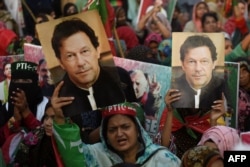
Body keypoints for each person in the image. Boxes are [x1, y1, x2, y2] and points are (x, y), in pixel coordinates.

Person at [50, 18, 136, 144]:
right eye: (70, 56)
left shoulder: (120, 77)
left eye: (85, 51)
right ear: (61, 62)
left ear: (97, 50)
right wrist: (58, 118)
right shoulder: (60, 98)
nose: (80, 62)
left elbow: (138, 118)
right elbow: (70, 145)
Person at [52, 99, 181, 167]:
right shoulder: (96, 155)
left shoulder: (163, 160)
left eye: (125, 127)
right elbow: (73, 156)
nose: (119, 134)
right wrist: (60, 118)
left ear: (138, 130)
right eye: (112, 130)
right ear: (105, 134)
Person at [172, 34, 227, 109]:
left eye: (204, 61)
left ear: (213, 63)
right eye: (191, 61)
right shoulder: (173, 87)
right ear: (183, 64)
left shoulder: (224, 87)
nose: (198, 69)